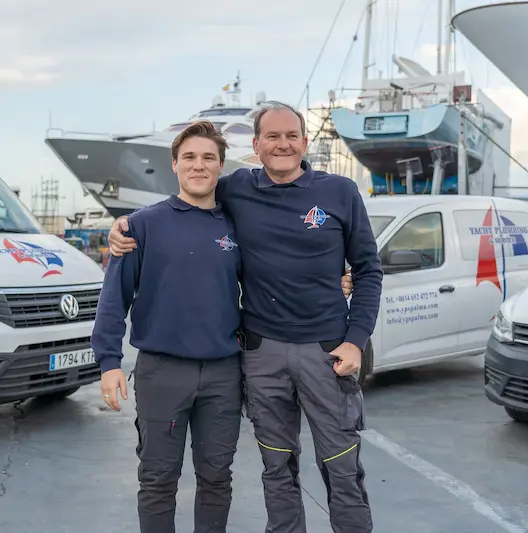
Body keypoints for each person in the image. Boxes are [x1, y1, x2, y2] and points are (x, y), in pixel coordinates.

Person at [107, 101, 383, 533]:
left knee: (342, 467)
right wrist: (126, 225)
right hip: (261, 353)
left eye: (291, 135)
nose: (282, 144)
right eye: (271, 137)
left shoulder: (340, 192)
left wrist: (356, 337)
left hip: (326, 351)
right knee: (277, 468)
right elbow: (184, 205)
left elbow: (368, 269)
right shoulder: (237, 189)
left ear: (305, 142)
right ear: (255, 146)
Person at [90, 120, 245, 533]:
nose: (199, 165)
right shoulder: (141, 225)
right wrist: (108, 362)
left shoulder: (237, 226)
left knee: (217, 478)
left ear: (220, 166)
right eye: (190, 157)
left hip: (223, 374)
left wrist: (333, 277)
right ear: (174, 164)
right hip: (162, 372)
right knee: (158, 480)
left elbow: (278, 269)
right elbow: (114, 297)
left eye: (208, 158)